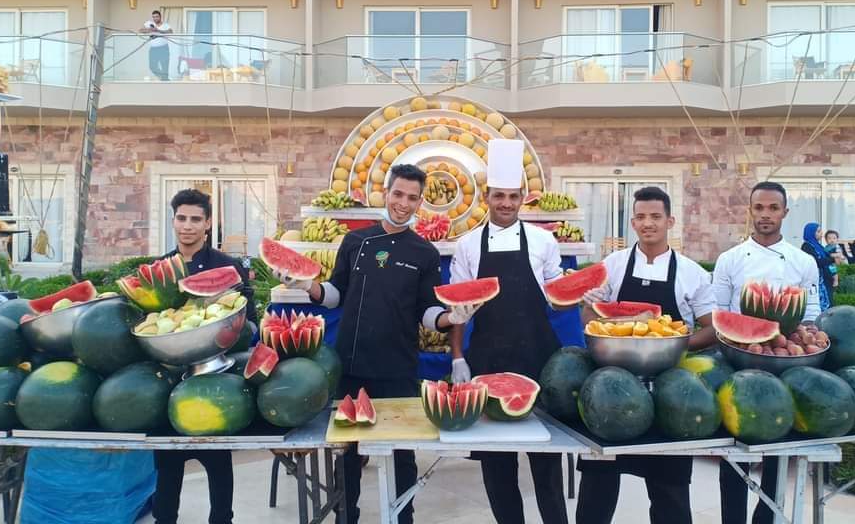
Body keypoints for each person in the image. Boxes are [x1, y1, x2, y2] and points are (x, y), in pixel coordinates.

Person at [294, 164, 466, 524]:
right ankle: (346, 516)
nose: (403, 203)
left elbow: (426, 312)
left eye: (412, 198)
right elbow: (336, 294)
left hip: (398, 366)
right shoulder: (355, 241)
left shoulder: (425, 253)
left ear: (420, 203)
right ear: (385, 193)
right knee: (347, 454)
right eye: (398, 194)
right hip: (352, 361)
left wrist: (450, 318)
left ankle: (404, 517)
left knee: (403, 455)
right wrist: (308, 286)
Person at [576, 186, 716, 524]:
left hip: (669, 390)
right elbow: (590, 319)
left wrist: (673, 345)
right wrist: (588, 306)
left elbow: (713, 328)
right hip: (610, 389)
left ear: (670, 221)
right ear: (633, 223)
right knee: (597, 483)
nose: (647, 223)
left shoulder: (691, 272)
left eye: (655, 216)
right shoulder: (612, 265)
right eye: (640, 217)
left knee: (670, 489)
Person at [448, 139, 569, 524]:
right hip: (488, 358)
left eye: (513, 196)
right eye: (499, 195)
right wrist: (457, 358)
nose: (506, 203)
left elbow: (555, 298)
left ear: (522, 199)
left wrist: (579, 294)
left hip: (539, 357)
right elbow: (458, 308)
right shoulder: (468, 245)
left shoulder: (544, 241)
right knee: (497, 468)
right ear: (486, 197)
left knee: (547, 465)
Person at [712, 181, 821, 524]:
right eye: (759, 208)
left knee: (778, 449)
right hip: (739, 362)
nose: (765, 215)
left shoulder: (803, 262)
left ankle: (767, 518)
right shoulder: (730, 260)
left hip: (785, 363)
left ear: (785, 212)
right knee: (734, 450)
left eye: (773, 208)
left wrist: (802, 340)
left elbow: (811, 315)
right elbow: (718, 314)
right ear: (750, 211)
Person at [153, 188, 257, 524]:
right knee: (167, 467)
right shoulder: (160, 269)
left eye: (195, 219)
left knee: (218, 464)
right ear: (173, 220)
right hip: (170, 378)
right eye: (181, 218)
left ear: (208, 223)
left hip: (216, 377)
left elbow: (249, 323)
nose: (188, 226)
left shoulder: (228, 267)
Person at [801, 222, 835, 310]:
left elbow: (828, 261)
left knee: (829, 305)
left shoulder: (818, 246)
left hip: (826, 280)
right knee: (822, 307)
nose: (821, 233)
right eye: (818, 231)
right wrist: (833, 259)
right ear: (811, 233)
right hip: (818, 282)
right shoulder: (807, 247)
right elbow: (816, 262)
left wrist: (834, 274)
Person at [139, 9, 172, 81]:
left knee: (165, 67)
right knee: (152, 67)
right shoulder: (149, 23)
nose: (155, 18)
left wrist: (158, 30)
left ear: (160, 17)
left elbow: (170, 32)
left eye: (157, 17)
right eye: (153, 17)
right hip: (153, 49)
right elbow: (140, 30)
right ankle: (163, 77)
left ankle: (165, 80)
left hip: (164, 49)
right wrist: (150, 30)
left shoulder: (165, 25)